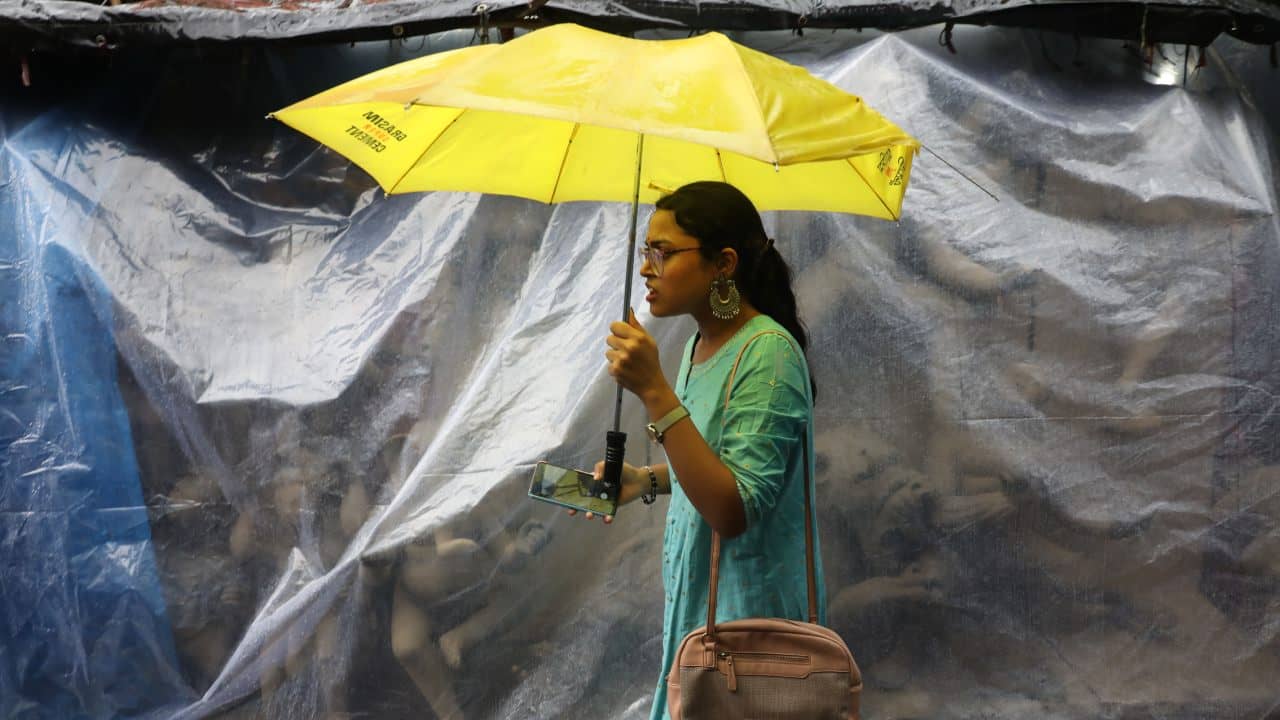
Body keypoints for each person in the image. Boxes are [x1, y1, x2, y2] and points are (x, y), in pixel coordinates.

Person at [570, 181, 826, 719]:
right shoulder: (695, 346)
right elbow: (711, 457)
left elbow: (734, 508)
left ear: (722, 264)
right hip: (698, 613)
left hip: (750, 631)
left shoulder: (769, 354)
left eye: (662, 252)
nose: (646, 267)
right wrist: (646, 479)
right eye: (646, 251)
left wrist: (655, 392)